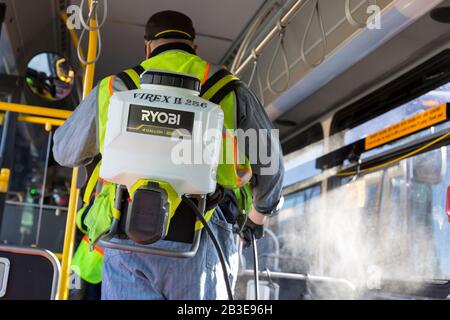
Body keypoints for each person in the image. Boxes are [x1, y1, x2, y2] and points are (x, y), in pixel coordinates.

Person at [53, 10, 284, 300]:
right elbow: (270, 162)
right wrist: (259, 215)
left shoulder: (115, 88)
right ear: (194, 47)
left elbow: (63, 151)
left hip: (124, 227)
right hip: (204, 232)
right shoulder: (230, 89)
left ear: (148, 46)